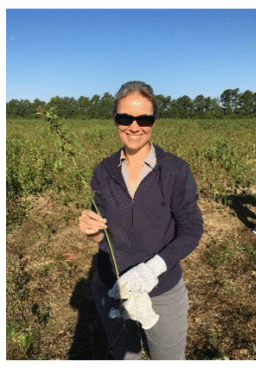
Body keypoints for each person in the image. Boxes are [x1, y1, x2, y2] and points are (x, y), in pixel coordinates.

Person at [77, 81, 203, 360]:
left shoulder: (175, 170)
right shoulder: (104, 170)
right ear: (115, 120)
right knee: (125, 357)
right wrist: (91, 229)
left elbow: (192, 230)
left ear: (154, 122)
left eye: (144, 119)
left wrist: (152, 270)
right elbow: (102, 233)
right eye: (125, 118)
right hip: (112, 287)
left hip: (161, 291)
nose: (134, 127)